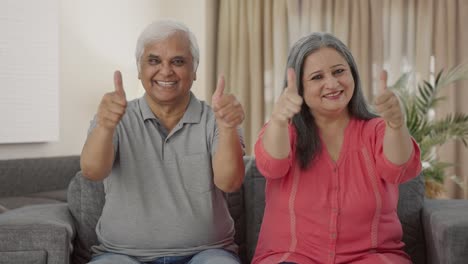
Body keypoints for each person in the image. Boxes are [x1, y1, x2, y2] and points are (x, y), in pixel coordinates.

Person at [80, 20, 245, 264]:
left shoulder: (217, 119)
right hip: (121, 255)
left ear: (194, 69)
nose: (165, 71)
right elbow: (92, 171)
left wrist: (228, 128)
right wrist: (105, 126)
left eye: (178, 62)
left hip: (207, 253)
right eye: (154, 61)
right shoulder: (114, 116)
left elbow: (230, 182)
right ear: (139, 69)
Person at [252, 32, 422, 264]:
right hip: (292, 257)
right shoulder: (285, 130)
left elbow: (400, 168)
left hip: (371, 257)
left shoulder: (376, 130)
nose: (332, 83)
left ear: (353, 73)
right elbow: (272, 165)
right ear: (299, 87)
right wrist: (279, 120)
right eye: (316, 77)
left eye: (339, 71)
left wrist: (396, 124)